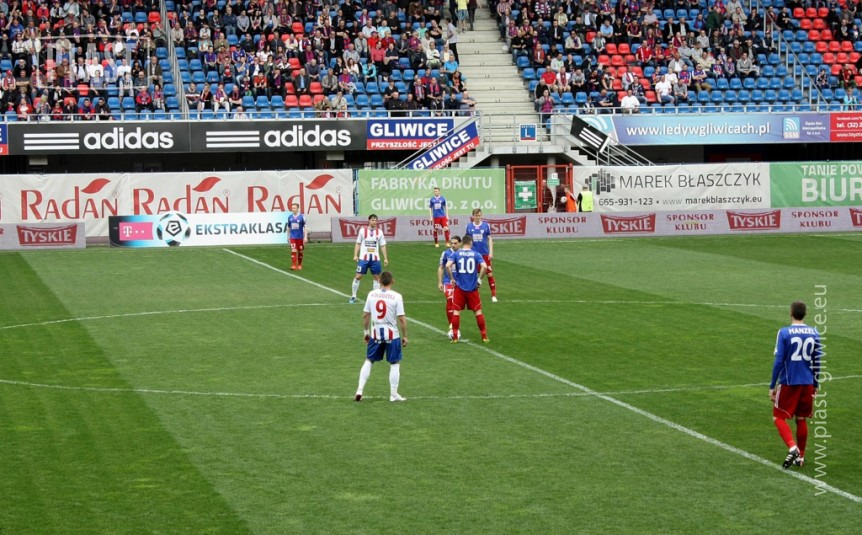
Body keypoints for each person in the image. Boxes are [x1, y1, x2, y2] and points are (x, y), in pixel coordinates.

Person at [770, 301, 822, 469]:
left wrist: (772, 385)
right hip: (807, 382)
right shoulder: (815, 332)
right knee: (801, 418)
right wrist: (815, 383)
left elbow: (779, 361)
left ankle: (793, 448)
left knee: (778, 417)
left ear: (790, 313)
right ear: (805, 314)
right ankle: (801, 457)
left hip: (789, 381)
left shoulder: (784, 332)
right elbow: (817, 362)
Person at [355, 271, 408, 402]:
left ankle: (360, 389)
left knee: (369, 360)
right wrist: (405, 336)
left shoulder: (372, 294)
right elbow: (401, 319)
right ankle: (393, 394)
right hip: (392, 335)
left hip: (376, 334)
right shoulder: (396, 296)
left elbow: (365, 315)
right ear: (392, 281)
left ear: (379, 281)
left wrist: (366, 332)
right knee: (395, 363)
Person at [445, 234, 489, 343]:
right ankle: (484, 336)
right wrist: (480, 280)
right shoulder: (476, 254)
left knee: (456, 312)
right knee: (478, 312)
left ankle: (455, 337)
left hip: (460, 288)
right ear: (471, 243)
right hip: (473, 288)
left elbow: (447, 266)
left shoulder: (456, 254)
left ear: (462, 243)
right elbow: (484, 267)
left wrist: (452, 279)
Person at [349, 214, 389, 304]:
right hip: (363, 258)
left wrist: (385, 258)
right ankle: (353, 295)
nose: (374, 222)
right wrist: (355, 255)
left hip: (375, 259)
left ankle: (375, 298)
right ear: (369, 220)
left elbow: (383, 245)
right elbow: (358, 243)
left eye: (376, 220)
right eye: (372, 220)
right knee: (358, 276)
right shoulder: (362, 231)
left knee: (377, 278)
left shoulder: (379, 232)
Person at [465, 209, 497, 302]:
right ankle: (475, 296)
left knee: (489, 274)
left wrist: (491, 252)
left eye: (479, 215)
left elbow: (489, 238)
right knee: (473, 275)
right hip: (473, 255)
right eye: (476, 215)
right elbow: (467, 240)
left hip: (484, 254)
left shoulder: (486, 226)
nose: (478, 217)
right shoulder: (469, 226)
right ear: (473, 216)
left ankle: (494, 295)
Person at [437, 235, 462, 339]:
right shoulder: (446, 253)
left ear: (460, 243)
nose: (453, 245)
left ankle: (454, 325)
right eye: (452, 243)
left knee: (458, 304)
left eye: (455, 243)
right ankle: (452, 327)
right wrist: (440, 282)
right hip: (448, 282)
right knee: (450, 299)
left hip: (461, 282)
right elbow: (441, 267)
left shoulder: (463, 254)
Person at [287, 202, 307, 270]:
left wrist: (305, 237)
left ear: (297, 208)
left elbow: (305, 227)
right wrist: (288, 237)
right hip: (293, 237)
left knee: (300, 251)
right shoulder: (290, 217)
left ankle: (299, 264)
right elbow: (288, 227)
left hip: (300, 237)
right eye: (292, 208)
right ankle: (293, 265)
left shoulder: (302, 217)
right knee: (293, 250)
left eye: (294, 208)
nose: (293, 209)